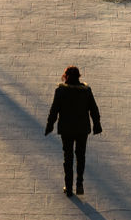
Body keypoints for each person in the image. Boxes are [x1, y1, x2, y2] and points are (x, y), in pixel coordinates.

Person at [44, 65, 102, 195]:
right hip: (82, 129)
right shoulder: (86, 91)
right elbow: (94, 109)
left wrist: (50, 125)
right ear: (79, 76)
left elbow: (54, 110)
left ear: (65, 76)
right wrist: (97, 124)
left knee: (68, 157)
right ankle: (79, 184)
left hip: (66, 129)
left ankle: (68, 187)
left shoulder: (60, 91)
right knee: (80, 156)